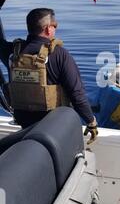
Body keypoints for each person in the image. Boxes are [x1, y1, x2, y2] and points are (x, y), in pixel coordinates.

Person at [0, 8, 98, 142]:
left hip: (24, 123)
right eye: (55, 25)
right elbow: (77, 94)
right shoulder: (59, 55)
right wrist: (91, 121)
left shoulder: (12, 53)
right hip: (53, 126)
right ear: (47, 29)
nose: (55, 29)